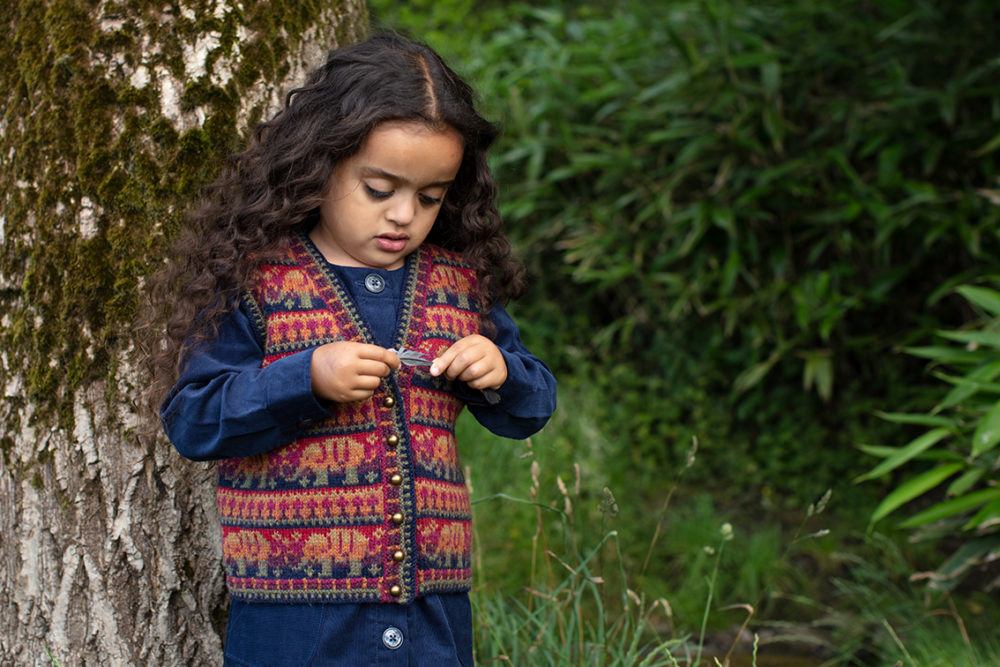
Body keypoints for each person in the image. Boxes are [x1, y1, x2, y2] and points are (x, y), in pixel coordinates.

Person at [148, 32, 556, 666]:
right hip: (294, 620)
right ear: (322, 164)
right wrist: (303, 379)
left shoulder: (458, 284)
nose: (403, 216)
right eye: (379, 189)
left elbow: (530, 408)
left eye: (429, 197)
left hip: (432, 612)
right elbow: (194, 418)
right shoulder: (258, 281)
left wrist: (500, 372)